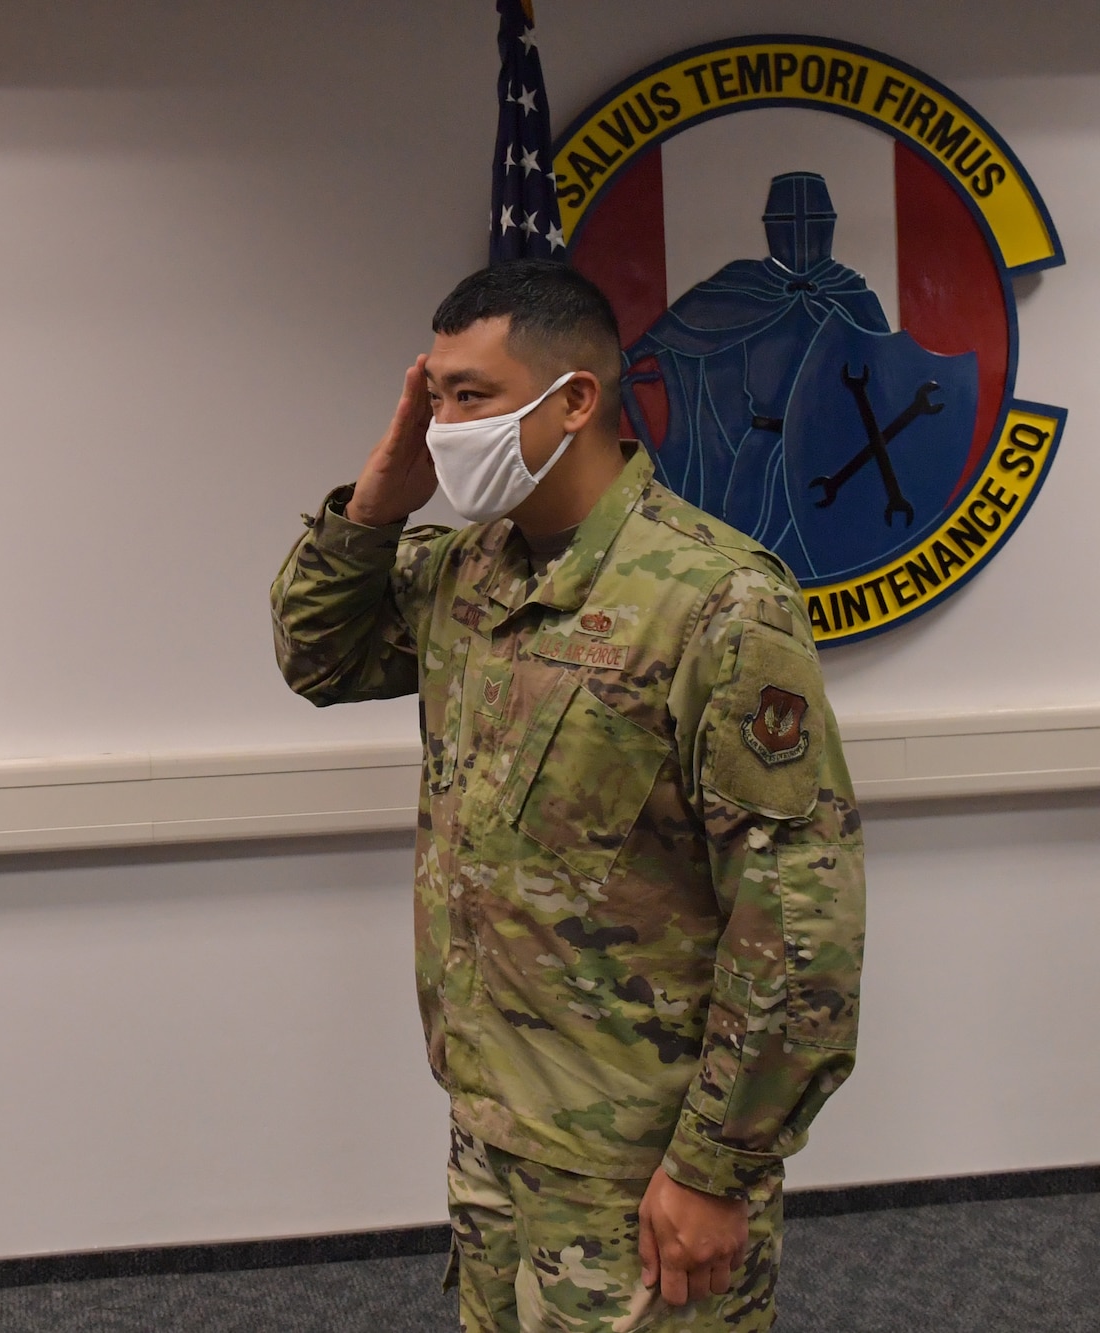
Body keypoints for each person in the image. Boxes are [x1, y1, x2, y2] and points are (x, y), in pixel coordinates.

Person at [270, 259, 864, 1331]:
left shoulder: (714, 598)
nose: (442, 424)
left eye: (470, 396)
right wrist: (375, 499)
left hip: (639, 1152)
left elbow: (795, 919)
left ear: (574, 399)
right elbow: (314, 654)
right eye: (432, 394)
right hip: (495, 1119)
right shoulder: (468, 575)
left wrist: (716, 1167)